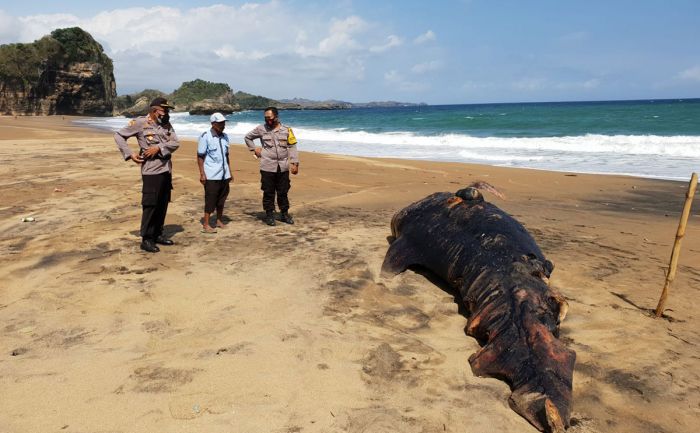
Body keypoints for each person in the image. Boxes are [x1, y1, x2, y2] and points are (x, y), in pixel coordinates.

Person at [114, 97, 180, 253]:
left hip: (166, 168)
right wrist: (129, 154)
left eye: (168, 110)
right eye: (165, 110)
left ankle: (158, 234)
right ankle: (147, 239)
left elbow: (175, 142)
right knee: (150, 204)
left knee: (162, 203)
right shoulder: (140, 123)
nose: (167, 113)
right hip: (151, 170)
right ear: (154, 110)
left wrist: (158, 148)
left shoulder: (166, 124)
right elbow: (118, 135)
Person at [244, 107, 299, 226]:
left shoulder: (287, 130)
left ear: (276, 116)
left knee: (283, 191)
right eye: (265, 118)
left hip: (283, 167)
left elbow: (292, 146)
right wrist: (254, 149)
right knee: (268, 192)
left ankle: (284, 214)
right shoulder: (261, 129)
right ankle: (269, 215)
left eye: (269, 118)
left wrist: (294, 163)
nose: (267, 120)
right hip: (267, 166)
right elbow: (248, 137)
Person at [197, 112, 233, 233]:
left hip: (224, 174)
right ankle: (206, 224)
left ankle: (218, 220)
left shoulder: (225, 136)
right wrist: (202, 174)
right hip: (211, 174)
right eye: (220, 123)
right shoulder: (205, 136)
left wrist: (230, 172)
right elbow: (200, 156)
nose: (223, 125)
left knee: (222, 198)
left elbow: (226, 155)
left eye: (223, 123)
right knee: (210, 199)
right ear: (213, 124)